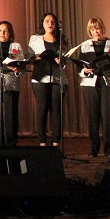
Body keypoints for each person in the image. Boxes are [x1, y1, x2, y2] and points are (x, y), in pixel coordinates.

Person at [77, 17, 110, 158]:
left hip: (108, 83)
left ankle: (108, 150)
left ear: (102, 28)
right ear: (89, 31)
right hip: (90, 84)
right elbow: (80, 68)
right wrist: (84, 71)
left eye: (97, 28)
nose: (96, 31)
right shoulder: (84, 45)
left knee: (107, 117)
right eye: (92, 29)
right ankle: (94, 149)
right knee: (93, 117)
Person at [28, 12, 68, 147]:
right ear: (43, 23)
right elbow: (29, 58)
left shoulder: (62, 39)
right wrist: (37, 57)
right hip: (40, 78)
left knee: (57, 110)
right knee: (42, 108)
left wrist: (61, 61)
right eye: (47, 21)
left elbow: (67, 60)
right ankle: (42, 142)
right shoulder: (35, 39)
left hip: (58, 78)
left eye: (53, 22)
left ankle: (56, 142)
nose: (50, 24)